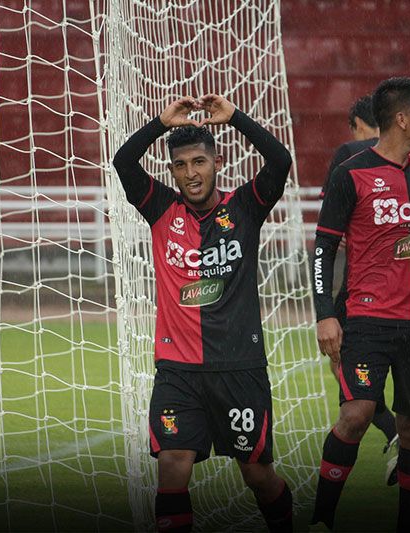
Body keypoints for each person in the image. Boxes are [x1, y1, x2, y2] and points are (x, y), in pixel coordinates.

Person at [112, 94, 293, 532]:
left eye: (199, 162)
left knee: (257, 475)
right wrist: (159, 123)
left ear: (216, 163)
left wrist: (235, 118)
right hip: (178, 371)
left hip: (239, 367)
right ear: (171, 170)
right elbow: (123, 161)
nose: (191, 174)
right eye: (180, 165)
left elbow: (280, 160)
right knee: (173, 465)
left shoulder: (246, 206)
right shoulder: (160, 208)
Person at [311, 77, 410, 532]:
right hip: (366, 318)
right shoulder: (351, 170)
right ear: (401, 119)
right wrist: (325, 314)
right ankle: (321, 520)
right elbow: (323, 248)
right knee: (356, 413)